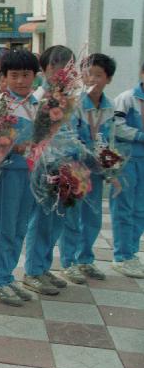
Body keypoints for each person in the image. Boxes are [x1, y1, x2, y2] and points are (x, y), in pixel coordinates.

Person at [0, 50, 40, 306]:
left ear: (34, 76)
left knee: (20, 226)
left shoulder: (36, 103)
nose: (21, 81)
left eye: (26, 75)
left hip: (31, 171)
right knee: (6, 225)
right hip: (8, 172)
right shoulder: (0, 104)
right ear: (4, 77)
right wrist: (12, 146)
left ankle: (7, 276)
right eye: (15, 75)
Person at [23, 46, 78, 295]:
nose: (61, 71)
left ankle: (43, 266)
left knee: (57, 220)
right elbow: (36, 137)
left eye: (67, 66)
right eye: (55, 66)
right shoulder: (38, 100)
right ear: (44, 69)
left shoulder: (68, 99)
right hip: (43, 169)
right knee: (42, 219)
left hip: (65, 167)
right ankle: (32, 271)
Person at [61, 53, 115, 281]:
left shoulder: (109, 106)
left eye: (98, 75)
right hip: (76, 168)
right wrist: (87, 152)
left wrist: (110, 167)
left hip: (97, 170)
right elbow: (69, 135)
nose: (92, 79)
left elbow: (109, 138)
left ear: (108, 79)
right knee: (72, 216)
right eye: (88, 74)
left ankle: (85, 259)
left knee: (93, 217)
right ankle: (69, 261)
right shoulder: (74, 103)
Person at [110, 61, 144, 279]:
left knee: (140, 209)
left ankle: (131, 252)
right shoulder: (127, 98)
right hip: (127, 160)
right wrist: (140, 136)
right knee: (124, 207)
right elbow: (117, 126)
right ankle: (121, 255)